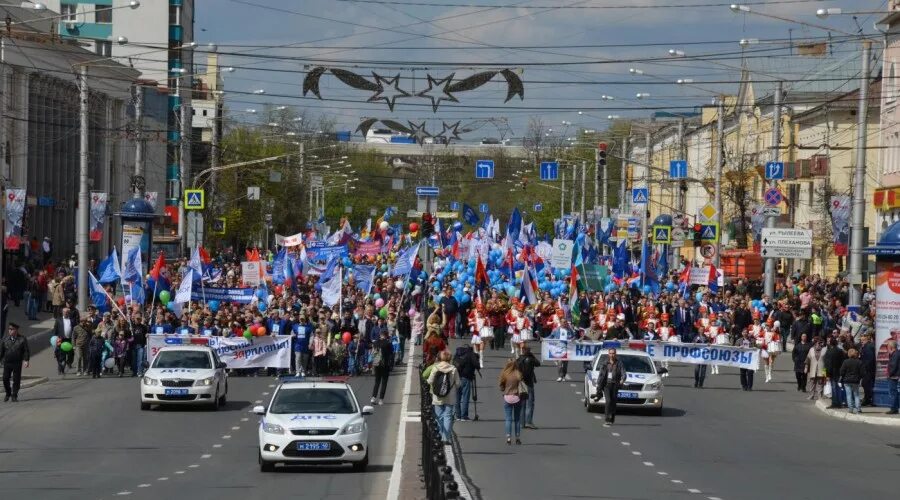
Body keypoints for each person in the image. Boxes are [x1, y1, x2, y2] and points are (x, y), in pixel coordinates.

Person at [427, 350, 460, 445]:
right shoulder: (453, 369)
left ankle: (441, 434)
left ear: (439, 358)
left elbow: (429, 381)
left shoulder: (435, 368)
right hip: (450, 396)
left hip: (437, 396)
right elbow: (458, 383)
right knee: (448, 416)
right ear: (449, 358)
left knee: (439, 416)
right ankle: (445, 438)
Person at [592, 348, 627, 426]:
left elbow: (623, 373)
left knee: (613, 402)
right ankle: (607, 419)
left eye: (613, 353)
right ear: (608, 354)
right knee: (608, 401)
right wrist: (599, 384)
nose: (612, 355)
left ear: (616, 354)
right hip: (606, 385)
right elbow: (601, 374)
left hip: (615, 385)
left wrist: (622, 380)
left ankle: (612, 417)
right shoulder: (605, 363)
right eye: (610, 353)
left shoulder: (619, 363)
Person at [0, 323, 30, 402]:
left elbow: (26, 351)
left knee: (16, 379)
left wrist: (26, 360)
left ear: (16, 330)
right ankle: (8, 392)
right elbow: (1, 352)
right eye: (9, 329)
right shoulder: (5, 339)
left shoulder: (22, 339)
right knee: (5, 378)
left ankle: (14, 395)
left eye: (12, 329)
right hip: (7, 362)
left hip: (17, 362)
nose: (10, 331)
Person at [498, 358, 524, 444]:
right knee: (517, 419)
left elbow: (501, 386)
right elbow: (521, 383)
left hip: (507, 398)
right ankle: (517, 437)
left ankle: (508, 437)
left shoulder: (505, 374)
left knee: (508, 419)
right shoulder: (518, 374)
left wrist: (504, 388)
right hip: (517, 397)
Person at [515, 345, 541, 429]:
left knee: (522, 403)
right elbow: (538, 363)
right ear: (529, 351)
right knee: (530, 403)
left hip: (521, 383)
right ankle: (528, 421)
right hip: (529, 383)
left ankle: (522, 422)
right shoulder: (530, 359)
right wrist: (532, 355)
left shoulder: (518, 360)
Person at [453, 344, 480, 421]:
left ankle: (458, 416)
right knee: (465, 397)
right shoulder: (470, 354)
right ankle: (464, 416)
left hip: (457, 377)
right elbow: (477, 365)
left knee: (457, 397)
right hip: (466, 377)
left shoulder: (457, 353)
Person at [823, 336, 847, 409]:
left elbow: (826, 363)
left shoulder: (829, 351)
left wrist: (825, 374)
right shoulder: (840, 351)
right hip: (838, 372)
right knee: (838, 387)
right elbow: (843, 361)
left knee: (834, 387)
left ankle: (835, 402)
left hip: (831, 373)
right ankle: (839, 402)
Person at [370, 331, 393, 405]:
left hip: (376, 364)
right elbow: (391, 355)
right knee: (384, 382)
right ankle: (381, 399)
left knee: (377, 381)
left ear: (380, 335)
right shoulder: (388, 343)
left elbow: (373, 353)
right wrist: (391, 365)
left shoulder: (375, 343)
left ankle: (373, 397)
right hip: (385, 365)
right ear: (386, 336)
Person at [839, 348, 863, 414]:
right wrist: (860, 378)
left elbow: (841, 372)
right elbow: (862, 372)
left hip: (847, 380)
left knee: (848, 395)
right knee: (856, 395)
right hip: (856, 380)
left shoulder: (845, 362)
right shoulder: (859, 362)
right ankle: (858, 408)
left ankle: (850, 409)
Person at [550, 316, 574, 382]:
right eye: (563, 322)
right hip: (558, 349)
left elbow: (574, 336)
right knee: (560, 363)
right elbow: (550, 336)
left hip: (567, 348)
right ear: (560, 323)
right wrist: (543, 339)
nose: (564, 323)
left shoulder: (569, 330)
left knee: (565, 364)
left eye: (565, 322)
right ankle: (560, 376)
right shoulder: (556, 330)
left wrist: (573, 338)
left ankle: (564, 375)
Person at [859, 333, 876, 406]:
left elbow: (869, 359)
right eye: (861, 340)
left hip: (868, 370)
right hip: (868, 370)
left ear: (867, 340)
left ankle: (868, 399)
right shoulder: (865, 346)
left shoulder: (868, 347)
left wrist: (865, 368)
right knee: (866, 384)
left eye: (863, 340)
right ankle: (867, 399)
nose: (861, 341)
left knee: (866, 384)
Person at [887, 340, 900, 415]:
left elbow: (893, 365)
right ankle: (895, 408)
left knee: (892, 392)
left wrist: (890, 374)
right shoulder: (895, 353)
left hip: (893, 376)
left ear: (891, 347)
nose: (887, 348)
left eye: (888, 346)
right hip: (894, 375)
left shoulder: (895, 354)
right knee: (894, 392)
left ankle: (893, 408)